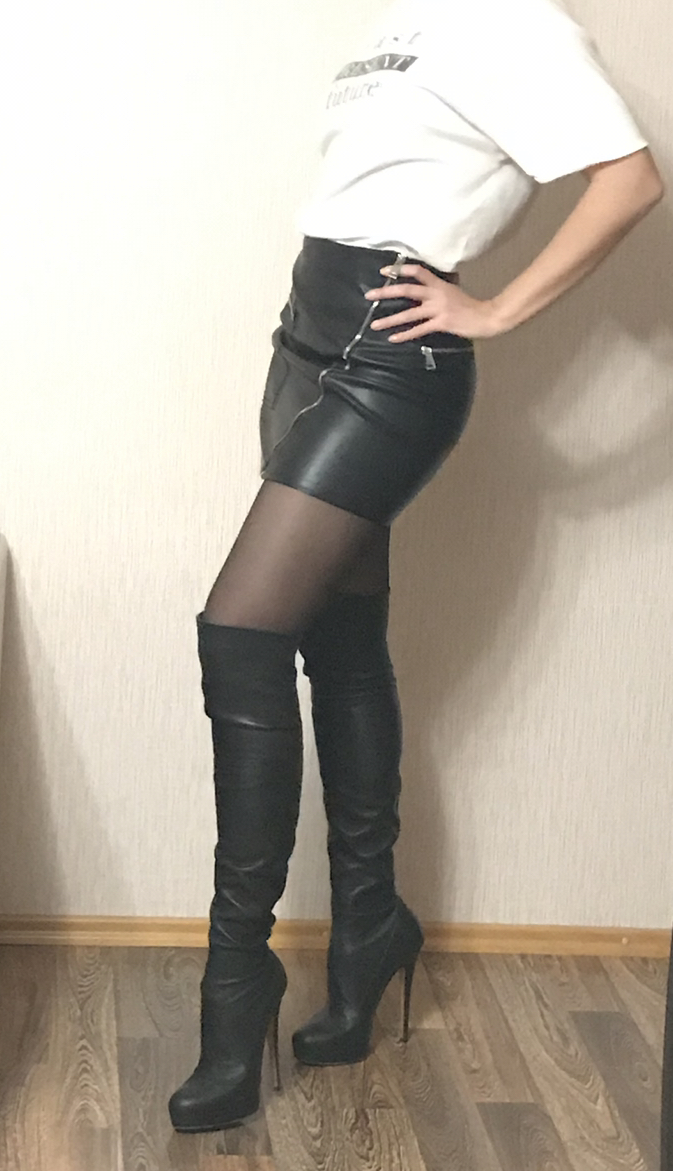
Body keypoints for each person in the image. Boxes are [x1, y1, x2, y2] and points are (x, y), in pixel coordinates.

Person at [168, 0, 664, 1134]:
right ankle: (370, 930)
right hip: (305, 336)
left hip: (388, 359)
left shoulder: (522, 25)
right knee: (341, 640)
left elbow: (629, 180)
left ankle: (235, 986)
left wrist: (493, 309)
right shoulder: (408, 21)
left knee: (241, 634)